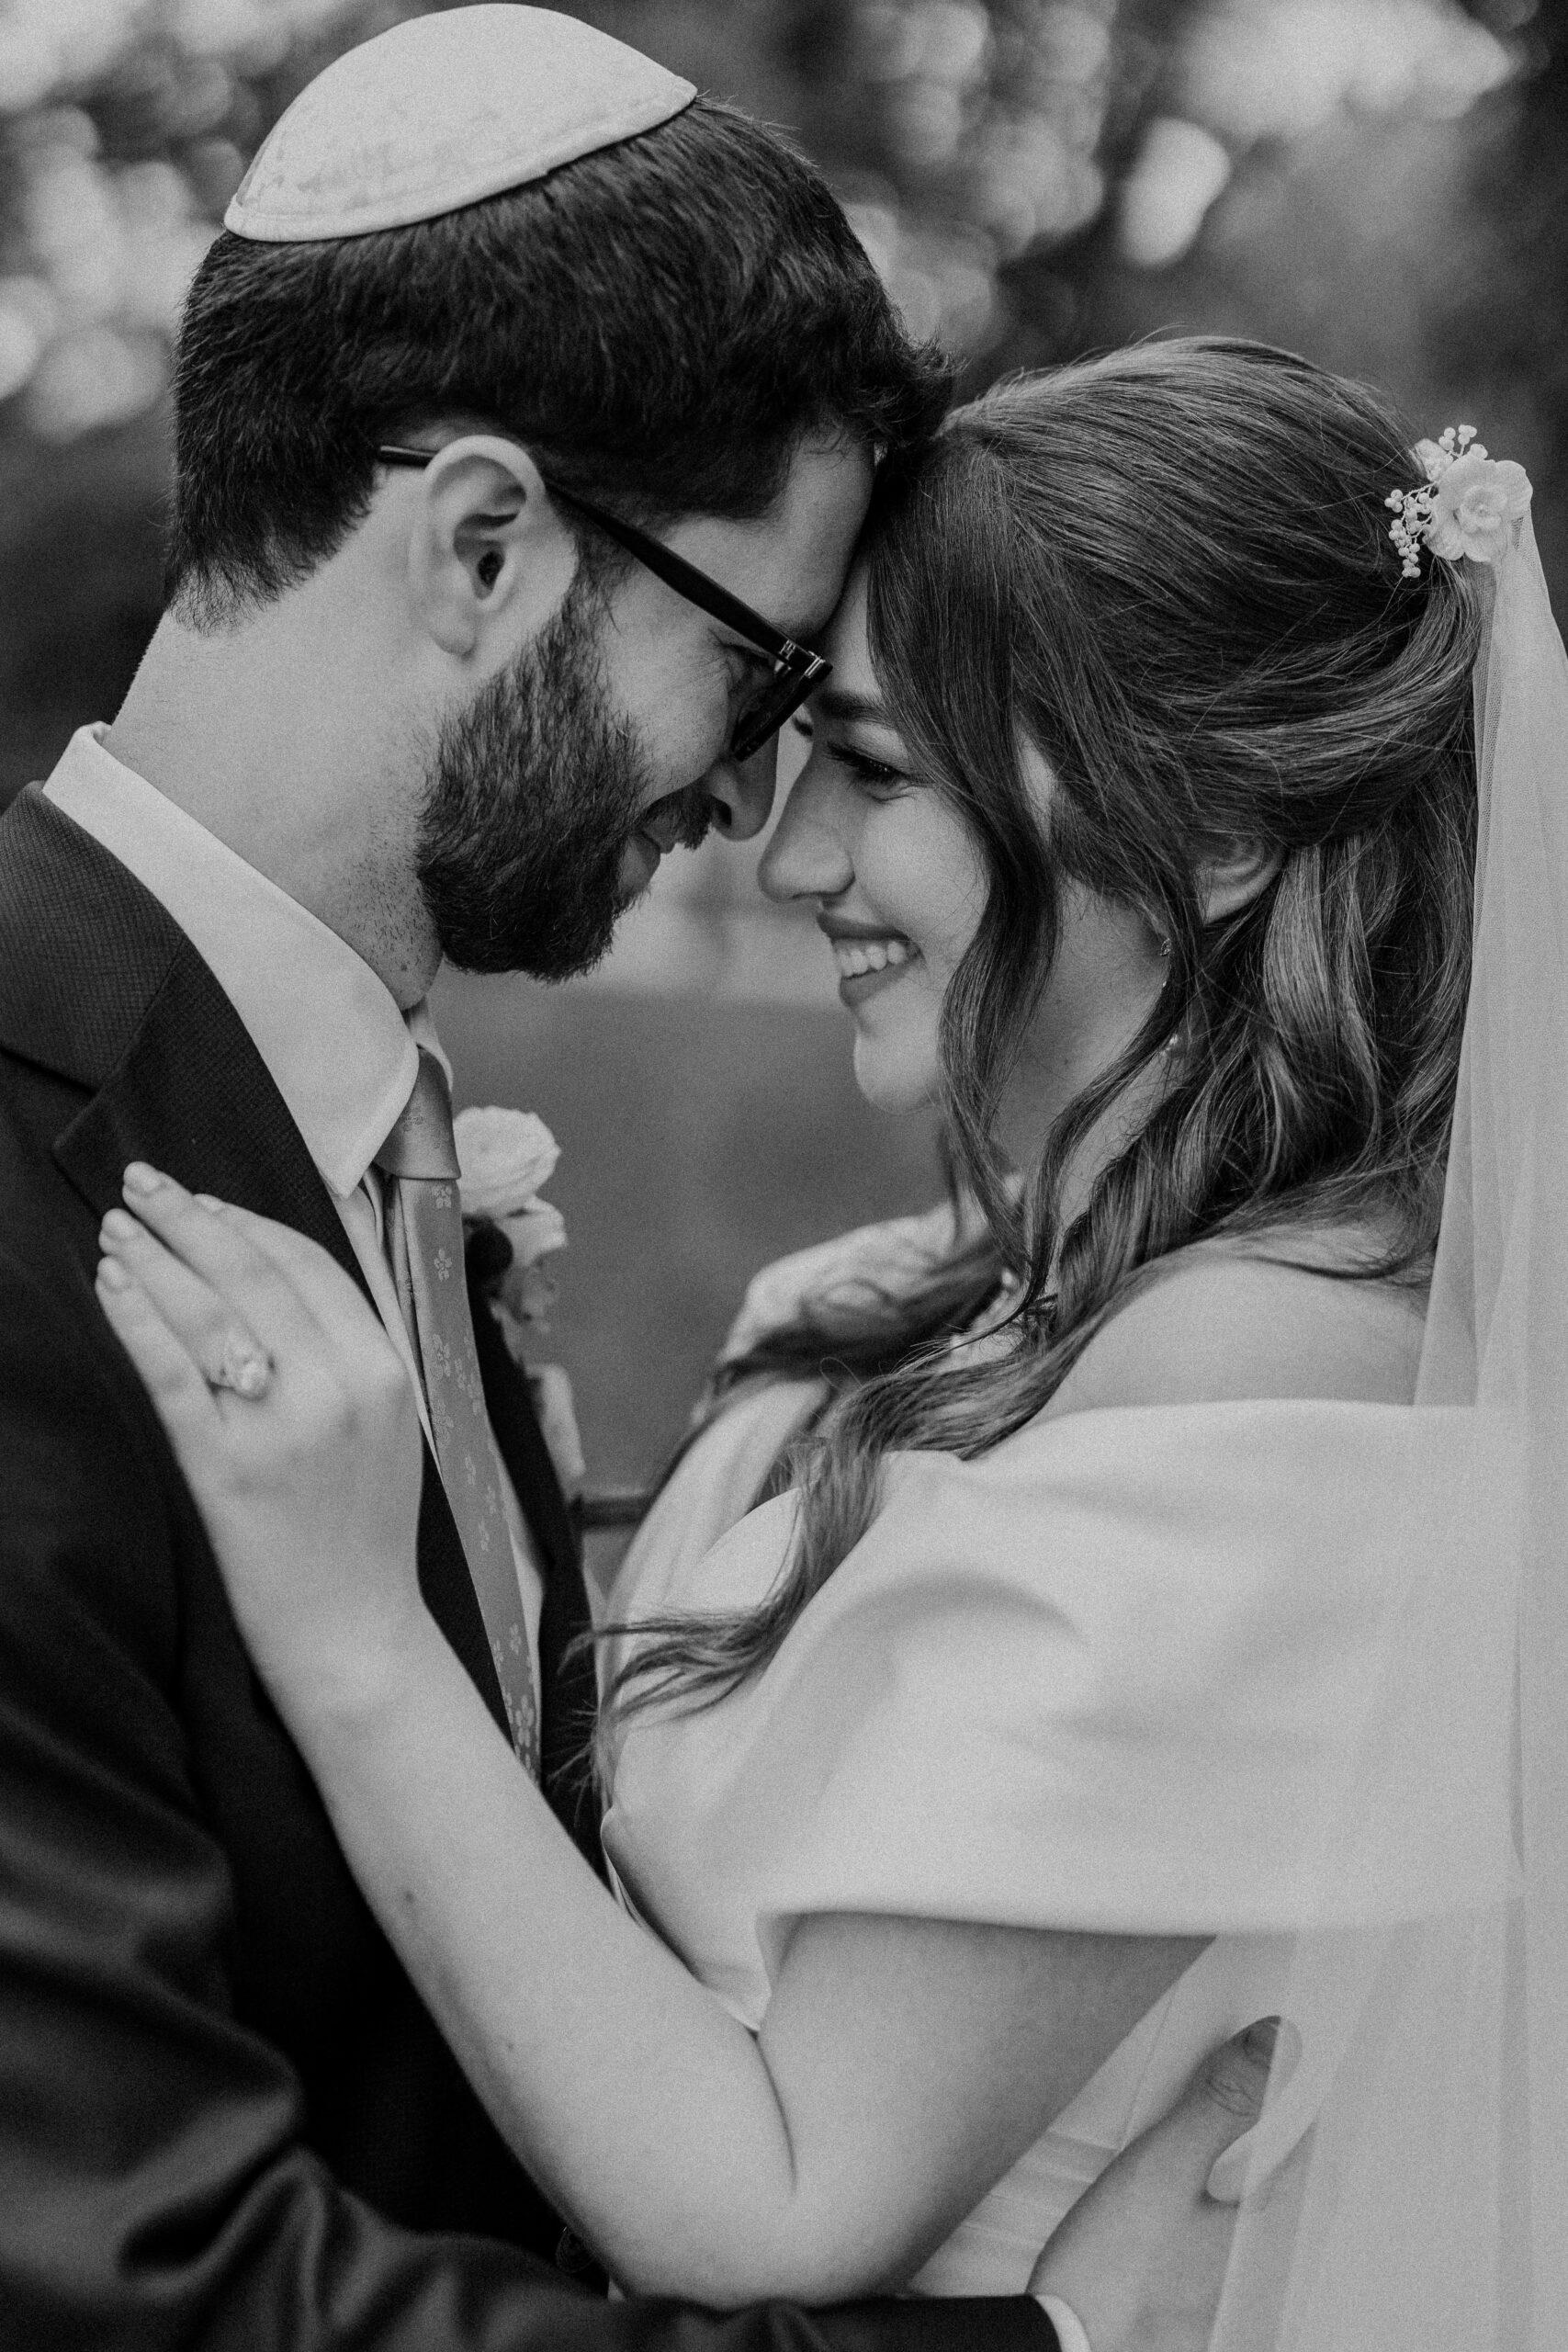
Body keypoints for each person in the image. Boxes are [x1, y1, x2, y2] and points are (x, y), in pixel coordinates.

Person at [0, 11, 1269, 2349]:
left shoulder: (362, 1146)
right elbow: (129, 2279)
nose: (759, 806)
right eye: (764, 675)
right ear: (486, 541)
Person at [92, 337, 1538, 2335]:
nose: (783, 857)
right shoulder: (930, 1291)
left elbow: (760, 2198)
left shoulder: (1265, 1381)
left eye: (871, 768)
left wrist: (354, 1633)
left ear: (1203, 825)